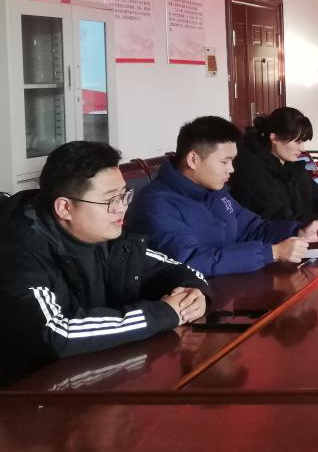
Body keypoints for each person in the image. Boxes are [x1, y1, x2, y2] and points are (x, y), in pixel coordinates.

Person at [0, 141, 211, 387]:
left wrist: (194, 294)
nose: (122, 208)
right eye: (111, 199)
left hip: (94, 376)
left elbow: (179, 270)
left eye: (124, 195)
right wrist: (163, 313)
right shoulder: (18, 249)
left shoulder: (106, 236)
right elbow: (55, 333)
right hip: (27, 392)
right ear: (65, 207)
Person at [127, 116, 318, 276]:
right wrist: (272, 252)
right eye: (224, 162)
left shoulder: (215, 192)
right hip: (193, 304)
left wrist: (298, 231)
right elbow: (190, 260)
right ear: (193, 159)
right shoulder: (157, 204)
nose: (231, 169)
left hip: (231, 289)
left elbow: (252, 228)